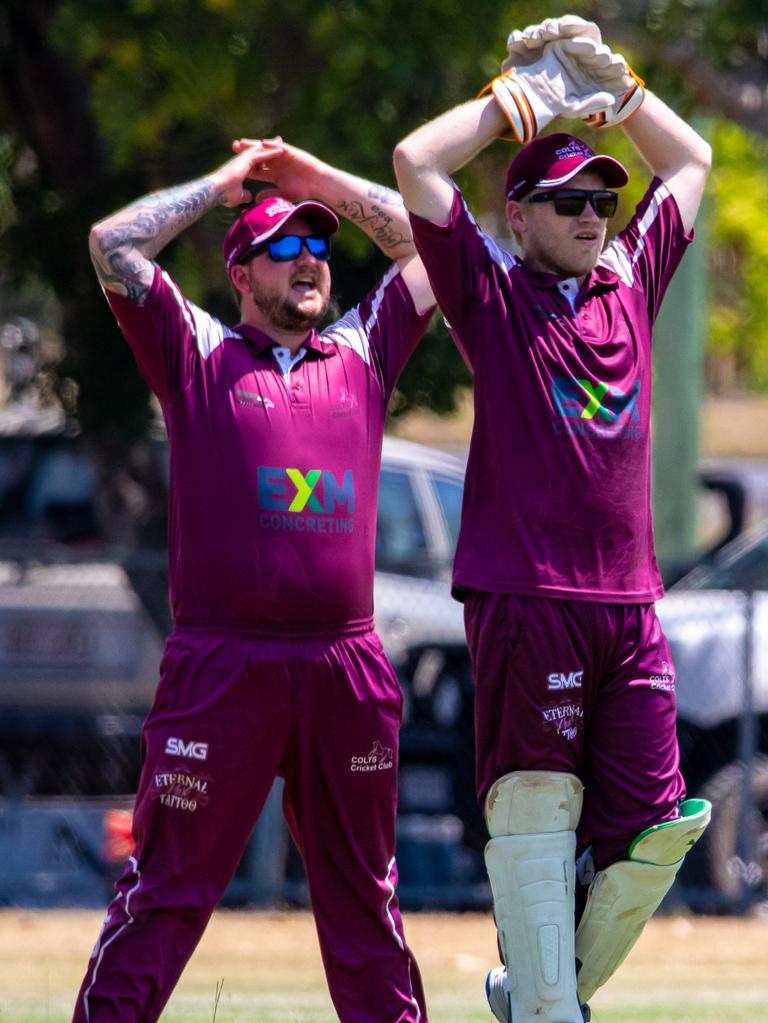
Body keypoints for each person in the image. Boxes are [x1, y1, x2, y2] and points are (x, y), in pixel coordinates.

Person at [393, 15, 712, 1023]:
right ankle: (546, 1010)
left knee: (661, 829)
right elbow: (414, 163)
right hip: (525, 592)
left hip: (630, 603)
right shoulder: (491, 293)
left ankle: (530, 988)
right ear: (516, 219)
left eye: (602, 197)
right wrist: (507, 104)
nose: (592, 212)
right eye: (566, 200)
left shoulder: (630, 281)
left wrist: (621, 99)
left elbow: (692, 160)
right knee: (536, 809)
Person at [73, 137, 435, 1023]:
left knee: (365, 903)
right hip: (221, 668)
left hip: (343, 669)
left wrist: (315, 185)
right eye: (283, 246)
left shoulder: (361, 350)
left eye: (316, 248)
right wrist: (224, 188)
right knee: (166, 891)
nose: (309, 259)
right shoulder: (197, 352)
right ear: (241, 271)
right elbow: (111, 246)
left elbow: (432, 252)